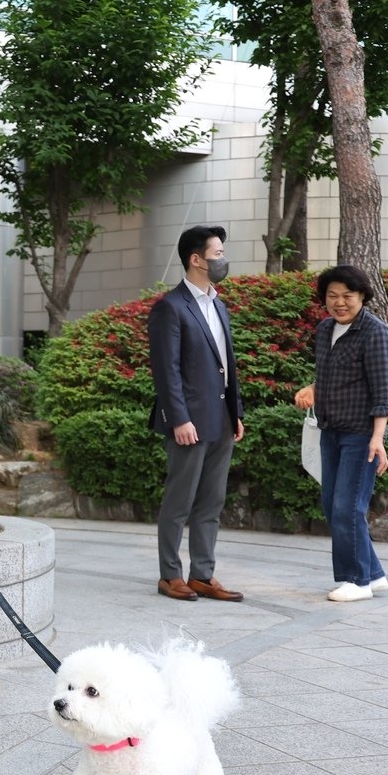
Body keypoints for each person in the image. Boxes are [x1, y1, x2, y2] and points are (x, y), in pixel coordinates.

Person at [148, 226, 245, 602]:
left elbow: (227, 364)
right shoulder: (170, 307)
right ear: (196, 259)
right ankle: (170, 575)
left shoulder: (218, 305)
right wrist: (179, 418)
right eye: (217, 253)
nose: (222, 259)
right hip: (188, 421)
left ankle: (203, 574)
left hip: (221, 419)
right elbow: (166, 369)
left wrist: (235, 412)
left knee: (211, 501)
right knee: (179, 501)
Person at [294, 265, 388, 602]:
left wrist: (377, 438)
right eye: (332, 296)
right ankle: (375, 573)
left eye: (347, 296)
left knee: (348, 506)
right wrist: (313, 389)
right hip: (330, 430)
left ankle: (357, 580)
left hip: (360, 434)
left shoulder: (375, 333)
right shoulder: (325, 330)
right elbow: (329, 376)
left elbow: (383, 391)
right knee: (332, 504)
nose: (339, 303)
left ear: (363, 296)